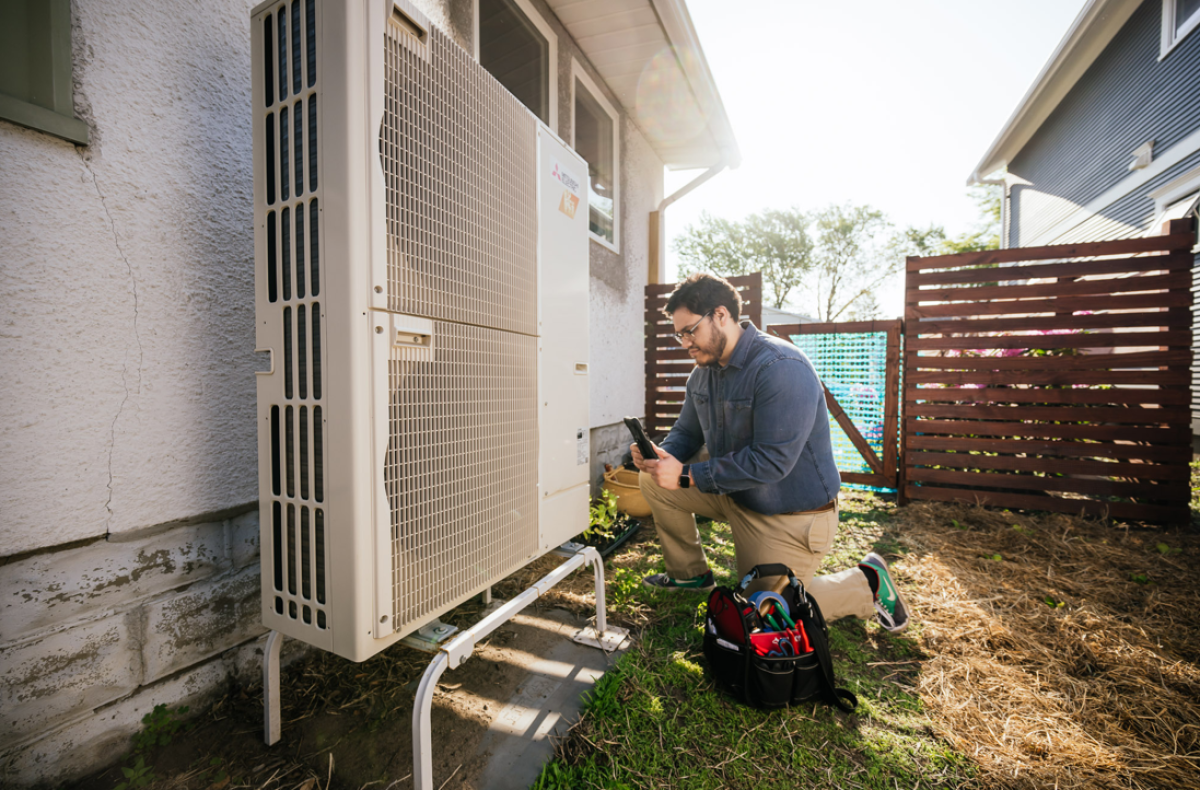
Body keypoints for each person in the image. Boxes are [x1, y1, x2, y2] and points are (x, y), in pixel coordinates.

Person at [632, 273, 909, 632]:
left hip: (790, 515)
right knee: (653, 480)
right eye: (679, 334)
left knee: (764, 613)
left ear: (720, 315)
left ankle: (866, 584)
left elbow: (772, 461)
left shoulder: (780, 367)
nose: (685, 342)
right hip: (736, 492)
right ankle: (690, 576)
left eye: (690, 331)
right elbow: (686, 432)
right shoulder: (702, 374)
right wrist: (660, 457)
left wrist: (686, 474)